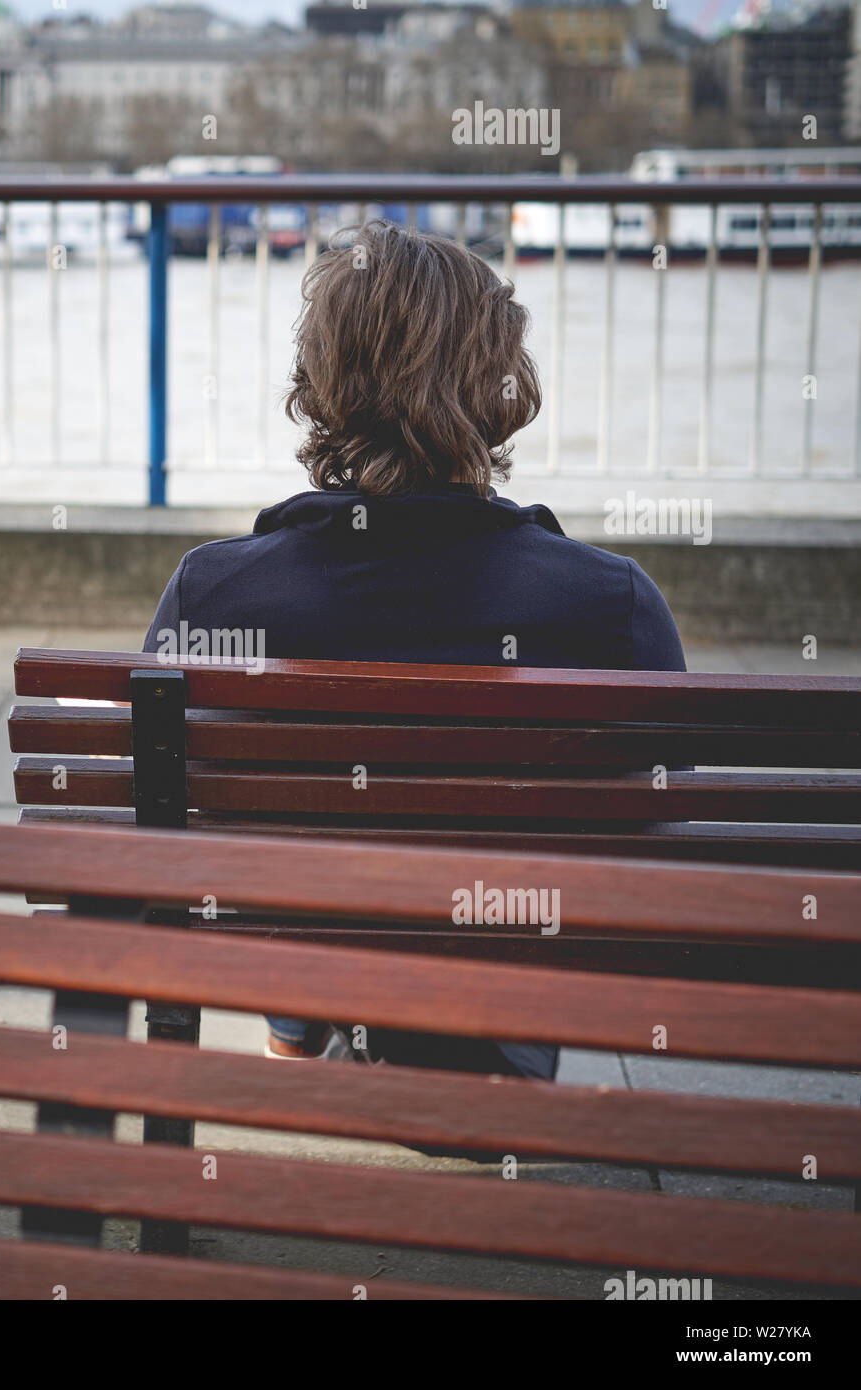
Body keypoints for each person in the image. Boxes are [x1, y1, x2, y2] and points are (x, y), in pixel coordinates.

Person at [142, 221, 686, 1083]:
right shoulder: (609, 605)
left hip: (301, 924)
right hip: (513, 935)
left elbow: (159, 819)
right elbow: (662, 823)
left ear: (319, 378)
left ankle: (300, 1005)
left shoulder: (215, 596)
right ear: (499, 383)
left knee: (290, 845)